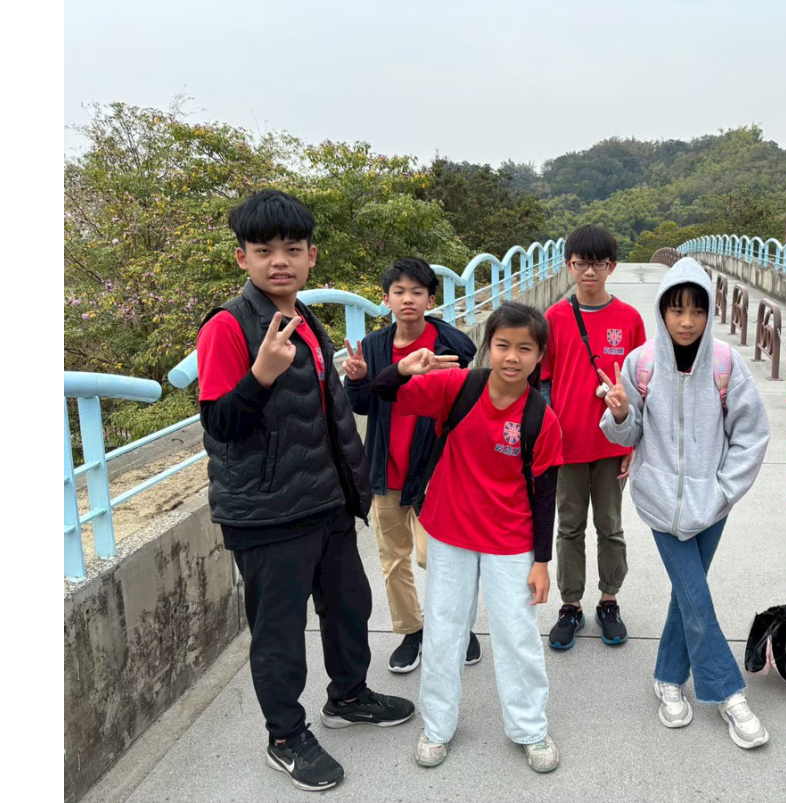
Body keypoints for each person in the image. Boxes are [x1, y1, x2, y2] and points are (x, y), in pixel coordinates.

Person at [196, 190, 412, 792]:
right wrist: (260, 376)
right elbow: (221, 425)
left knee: (349, 608)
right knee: (280, 633)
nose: (279, 261)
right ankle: (286, 737)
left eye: (292, 249)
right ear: (242, 257)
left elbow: (325, 409)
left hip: (326, 501)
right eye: (264, 250)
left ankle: (349, 696)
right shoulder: (226, 327)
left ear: (311, 256)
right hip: (268, 514)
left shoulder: (307, 319)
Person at [371, 301, 564, 772]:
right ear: (487, 347)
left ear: (540, 355)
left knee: (517, 636)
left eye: (525, 348)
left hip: (511, 541)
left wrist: (542, 562)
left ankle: (530, 728)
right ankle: (437, 726)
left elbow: (545, 496)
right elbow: (379, 392)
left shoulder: (541, 418)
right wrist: (403, 368)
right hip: (450, 532)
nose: (512, 357)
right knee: (444, 630)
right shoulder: (458, 387)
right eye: (502, 345)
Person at [599, 258, 771, 749]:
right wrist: (620, 414)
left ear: (709, 311)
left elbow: (752, 433)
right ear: (662, 311)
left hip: (710, 505)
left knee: (687, 595)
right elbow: (628, 435)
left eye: (697, 310)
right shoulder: (641, 363)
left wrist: (723, 490)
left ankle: (668, 678)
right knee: (696, 597)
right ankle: (728, 692)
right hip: (659, 502)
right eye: (677, 310)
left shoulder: (725, 364)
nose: (687, 320)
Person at [342, 257, 481, 674]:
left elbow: (460, 402)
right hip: (385, 468)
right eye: (398, 292)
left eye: (417, 292)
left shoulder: (449, 345)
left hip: (434, 469)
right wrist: (357, 379)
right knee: (393, 559)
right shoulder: (373, 345)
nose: (408, 299)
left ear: (430, 299)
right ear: (385, 300)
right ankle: (412, 631)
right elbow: (361, 405)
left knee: (433, 557)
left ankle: (456, 623)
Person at [540, 224, 646, 649]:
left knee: (610, 526)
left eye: (598, 264)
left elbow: (641, 388)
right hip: (567, 445)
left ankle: (608, 600)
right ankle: (570, 605)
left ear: (611, 267)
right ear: (568, 265)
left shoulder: (630, 319)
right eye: (581, 263)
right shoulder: (554, 318)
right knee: (568, 527)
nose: (589, 272)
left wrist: (634, 442)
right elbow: (543, 384)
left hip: (611, 444)